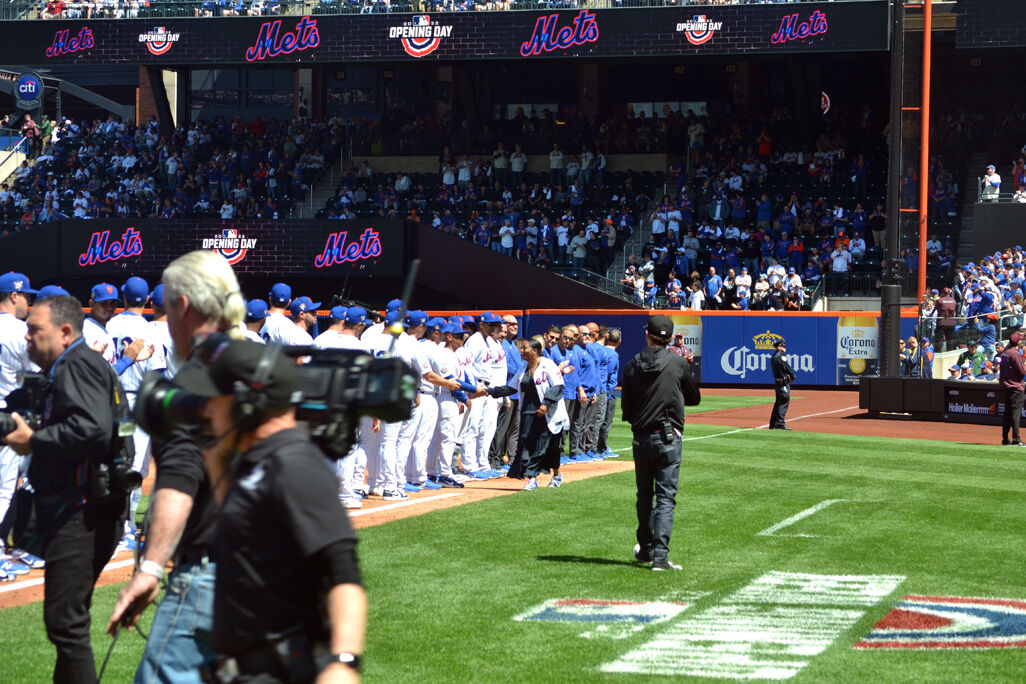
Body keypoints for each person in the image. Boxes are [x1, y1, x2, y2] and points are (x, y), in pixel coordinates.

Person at [172, 340, 367, 682]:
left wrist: (344, 662)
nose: (206, 408)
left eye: (214, 398)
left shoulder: (294, 465)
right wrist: (215, 455)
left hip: (284, 669)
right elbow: (243, 520)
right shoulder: (257, 460)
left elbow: (342, 569)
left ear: (248, 405)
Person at [106, 250, 247, 684]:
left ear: (182, 305)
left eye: (167, 304)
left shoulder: (194, 382)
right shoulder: (263, 370)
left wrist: (150, 568)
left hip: (210, 573)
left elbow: (179, 482)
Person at [4, 295, 130, 682]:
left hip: (82, 511)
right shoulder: (75, 365)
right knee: (69, 620)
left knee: (65, 622)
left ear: (64, 332)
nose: (27, 338)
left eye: (34, 330)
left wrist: (35, 442)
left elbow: (91, 429)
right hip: (94, 506)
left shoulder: (76, 364)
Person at [620, 314, 700, 572]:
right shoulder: (677, 363)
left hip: (641, 437)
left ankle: (645, 549)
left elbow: (627, 408)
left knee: (644, 496)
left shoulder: (632, 364)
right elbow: (694, 397)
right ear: (670, 338)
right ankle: (660, 557)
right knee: (665, 498)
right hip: (668, 436)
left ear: (647, 335)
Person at [513, 336, 569, 490]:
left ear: (535, 350)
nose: (522, 351)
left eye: (525, 348)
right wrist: (488, 391)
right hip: (528, 412)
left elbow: (558, 386)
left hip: (547, 413)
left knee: (550, 447)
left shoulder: (548, 365)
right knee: (528, 445)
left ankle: (557, 474)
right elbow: (511, 387)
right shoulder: (523, 368)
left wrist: (546, 404)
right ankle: (532, 478)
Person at [999, 332, 1026, 446]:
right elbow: (1022, 372)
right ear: (1018, 342)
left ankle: (1005, 438)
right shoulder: (1014, 354)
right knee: (1015, 414)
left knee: (1008, 413)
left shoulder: (1005, 353)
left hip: (1006, 386)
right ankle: (1016, 439)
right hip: (1015, 387)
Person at [769, 339, 796, 430]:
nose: (785, 348)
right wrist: (793, 375)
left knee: (778, 402)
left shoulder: (774, 356)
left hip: (778, 383)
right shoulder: (780, 356)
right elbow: (787, 368)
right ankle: (779, 423)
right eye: (783, 346)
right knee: (784, 400)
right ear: (779, 347)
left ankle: (773, 424)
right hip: (783, 383)